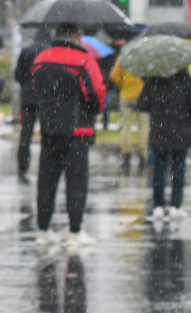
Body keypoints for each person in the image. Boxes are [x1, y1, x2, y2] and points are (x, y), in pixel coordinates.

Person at [31, 23, 106, 246]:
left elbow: (36, 87)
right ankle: (75, 232)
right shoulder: (83, 60)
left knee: (46, 180)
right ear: (77, 34)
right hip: (76, 130)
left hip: (49, 129)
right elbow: (96, 92)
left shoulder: (41, 59)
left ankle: (43, 231)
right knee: (76, 181)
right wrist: (93, 110)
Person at [135, 65, 191, 221]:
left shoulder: (153, 81)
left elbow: (142, 104)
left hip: (159, 131)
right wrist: (189, 120)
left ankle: (158, 206)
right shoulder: (185, 80)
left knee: (159, 168)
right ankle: (175, 206)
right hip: (180, 130)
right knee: (179, 169)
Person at [14, 28, 50, 178]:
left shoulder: (27, 51)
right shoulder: (50, 52)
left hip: (28, 98)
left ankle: (23, 163)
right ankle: (46, 165)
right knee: (47, 134)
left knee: (26, 133)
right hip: (46, 98)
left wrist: (27, 85)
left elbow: (18, 74)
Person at [109, 57, 146, 172]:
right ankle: (143, 154)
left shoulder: (123, 59)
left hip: (126, 94)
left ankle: (126, 153)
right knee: (144, 126)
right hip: (142, 95)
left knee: (126, 125)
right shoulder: (143, 60)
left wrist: (122, 85)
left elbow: (113, 76)